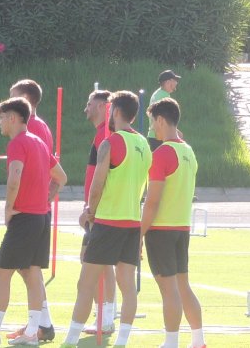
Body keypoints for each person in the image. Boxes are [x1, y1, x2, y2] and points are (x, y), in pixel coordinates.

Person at [0, 97, 67, 347]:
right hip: (41, 216)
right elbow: (61, 177)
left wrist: (9, 209)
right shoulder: (40, 142)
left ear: (12, 117)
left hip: (25, 217)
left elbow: (14, 178)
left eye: (1, 117)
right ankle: (32, 332)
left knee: (1, 275)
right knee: (31, 273)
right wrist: (46, 199)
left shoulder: (18, 143)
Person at [61, 91, 151, 347]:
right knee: (127, 285)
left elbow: (97, 184)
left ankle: (71, 338)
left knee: (85, 283)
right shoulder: (144, 144)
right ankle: (122, 340)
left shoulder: (110, 143)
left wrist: (89, 211)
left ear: (117, 112)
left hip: (109, 221)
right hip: (132, 222)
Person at [141, 98, 206, 348]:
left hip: (162, 229)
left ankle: (171, 342)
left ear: (160, 120)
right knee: (182, 285)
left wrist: (138, 234)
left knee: (169, 289)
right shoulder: (188, 151)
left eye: (152, 123)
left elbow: (152, 201)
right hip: (181, 227)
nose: (152, 129)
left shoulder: (162, 154)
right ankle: (198, 340)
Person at [6, 79, 56, 341]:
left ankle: (40, 325)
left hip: (30, 210)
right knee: (28, 269)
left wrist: (40, 200)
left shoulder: (32, 128)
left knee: (26, 269)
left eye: (12, 97)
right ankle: (41, 323)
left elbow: (47, 170)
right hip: (36, 208)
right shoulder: (41, 126)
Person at [82, 90, 118, 337]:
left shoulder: (106, 135)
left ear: (104, 106)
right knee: (102, 264)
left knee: (94, 263)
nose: (86, 108)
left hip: (100, 211)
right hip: (97, 209)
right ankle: (105, 316)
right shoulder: (100, 134)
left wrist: (91, 210)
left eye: (89, 103)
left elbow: (101, 177)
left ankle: (105, 318)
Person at [148, 70, 181, 152]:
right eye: (175, 80)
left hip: (154, 135)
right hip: (160, 136)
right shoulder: (164, 96)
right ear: (168, 82)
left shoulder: (157, 94)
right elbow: (165, 118)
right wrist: (175, 132)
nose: (176, 83)